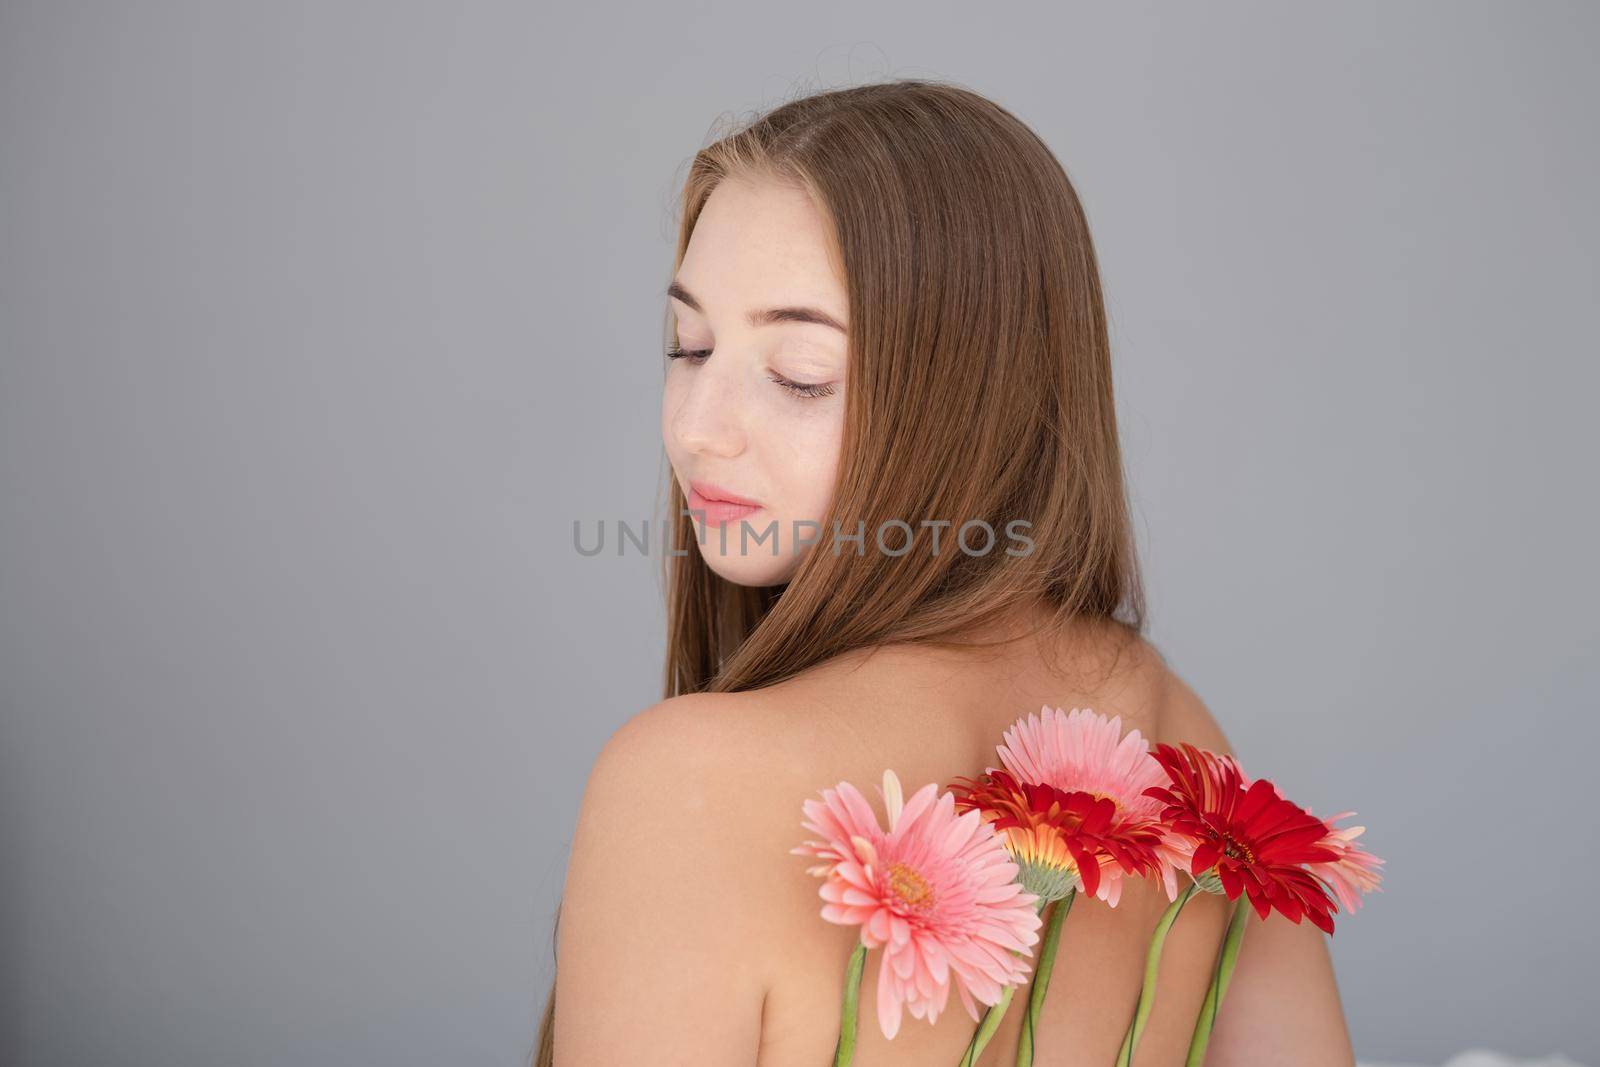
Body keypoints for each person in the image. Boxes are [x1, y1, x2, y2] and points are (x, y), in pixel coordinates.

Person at [533, 78, 1356, 1066]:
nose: (696, 428)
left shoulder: (684, 781)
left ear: (972, 392)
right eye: (689, 345)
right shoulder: (1185, 748)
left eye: (800, 373)